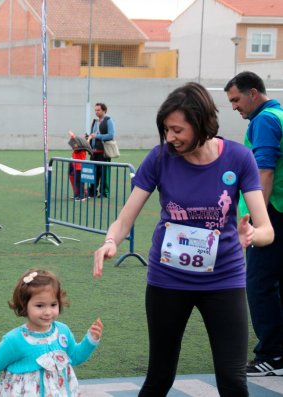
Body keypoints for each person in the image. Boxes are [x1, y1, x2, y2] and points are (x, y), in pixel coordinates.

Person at [93, 82, 274, 396]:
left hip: (224, 281)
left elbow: (266, 230)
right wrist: (111, 241)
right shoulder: (160, 158)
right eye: (167, 130)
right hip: (168, 281)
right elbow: (125, 218)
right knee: (159, 378)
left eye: (178, 130)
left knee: (233, 381)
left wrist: (252, 234)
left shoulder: (239, 158)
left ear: (202, 122)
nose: (171, 138)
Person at [0, 268, 103, 397]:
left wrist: (90, 340)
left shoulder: (63, 331)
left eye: (53, 304)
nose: (47, 312)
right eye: (40, 306)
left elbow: (75, 357)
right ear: (24, 305)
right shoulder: (14, 340)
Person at [224, 71, 283, 376]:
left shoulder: (265, 120)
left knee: (259, 283)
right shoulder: (280, 114)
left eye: (236, 99)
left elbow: (266, 172)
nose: (234, 107)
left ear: (253, 93)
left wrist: (260, 224)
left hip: (273, 213)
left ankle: (272, 354)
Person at [87, 103, 115, 198]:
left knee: (104, 173)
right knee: (93, 173)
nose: (96, 112)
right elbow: (93, 134)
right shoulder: (95, 121)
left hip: (104, 152)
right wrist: (89, 137)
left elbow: (111, 135)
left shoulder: (108, 120)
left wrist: (97, 136)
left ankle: (104, 193)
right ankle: (92, 191)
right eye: (95, 110)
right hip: (94, 152)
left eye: (98, 110)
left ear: (104, 110)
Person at [68, 130, 93, 201]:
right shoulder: (84, 148)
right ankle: (80, 194)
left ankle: (82, 196)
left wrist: (72, 135)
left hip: (79, 168)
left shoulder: (79, 149)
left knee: (79, 182)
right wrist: (89, 138)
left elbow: (76, 142)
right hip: (78, 167)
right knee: (79, 182)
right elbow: (85, 142)